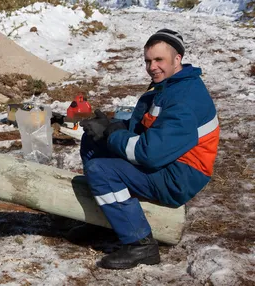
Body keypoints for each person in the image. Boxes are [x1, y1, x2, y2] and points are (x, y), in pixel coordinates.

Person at [77, 28, 219, 269]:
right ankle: (104, 217)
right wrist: (113, 126)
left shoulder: (184, 99)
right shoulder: (170, 85)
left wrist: (112, 134)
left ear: (177, 59)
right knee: (92, 141)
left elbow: (149, 154)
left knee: (101, 169)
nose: (152, 67)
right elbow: (148, 128)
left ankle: (140, 245)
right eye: (148, 61)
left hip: (180, 176)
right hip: (168, 162)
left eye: (159, 60)